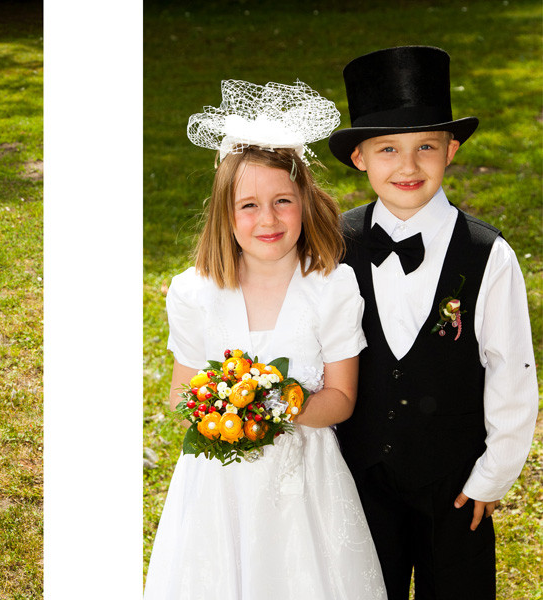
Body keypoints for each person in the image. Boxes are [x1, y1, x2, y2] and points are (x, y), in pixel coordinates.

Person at [143, 80, 387, 599]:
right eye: (248, 205)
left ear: (305, 201)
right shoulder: (193, 292)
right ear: (223, 214)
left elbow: (341, 400)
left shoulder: (330, 287)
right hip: (217, 485)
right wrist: (219, 403)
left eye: (282, 201)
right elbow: (180, 392)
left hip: (306, 483)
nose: (268, 219)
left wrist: (273, 404)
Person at [328, 46, 538, 600]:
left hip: (456, 486)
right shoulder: (333, 246)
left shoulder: (488, 255)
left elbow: (511, 369)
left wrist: (492, 475)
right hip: (359, 480)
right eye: (388, 149)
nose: (407, 166)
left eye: (425, 147)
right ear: (360, 159)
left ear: (452, 150)